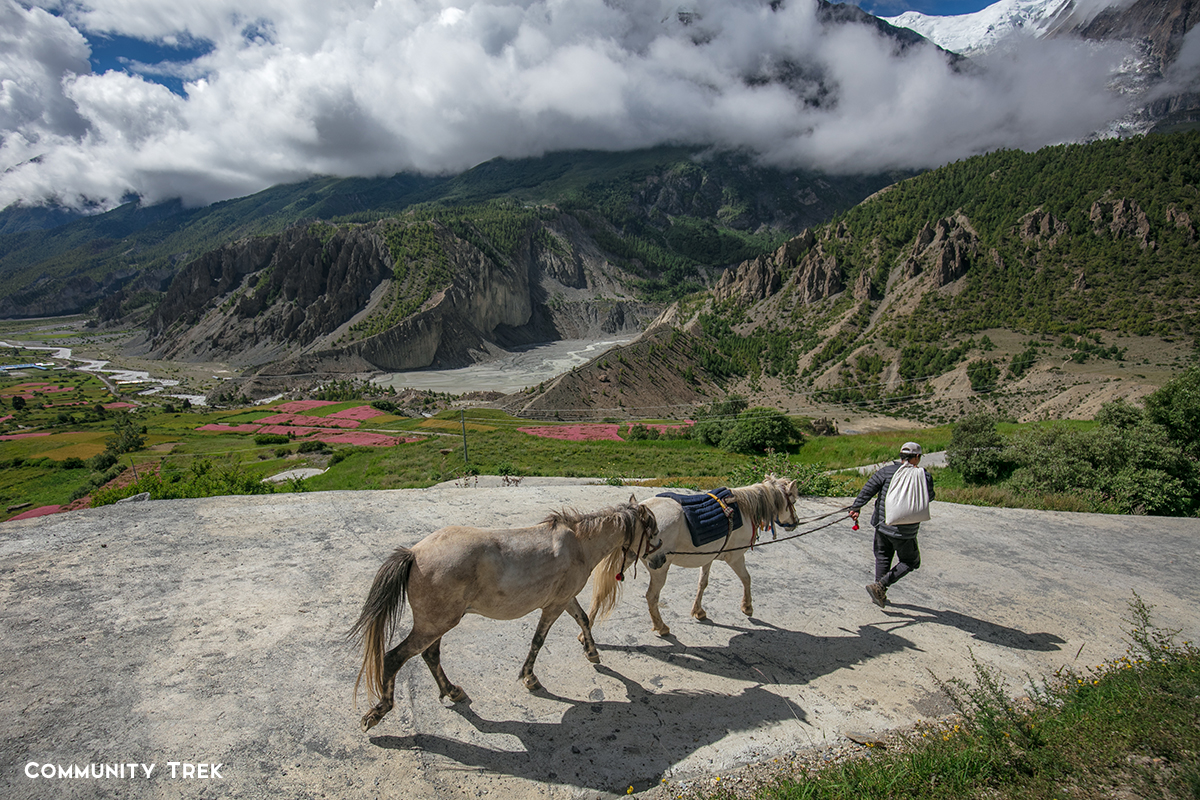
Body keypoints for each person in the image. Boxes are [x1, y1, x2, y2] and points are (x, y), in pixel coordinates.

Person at [848, 441, 934, 608]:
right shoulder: (924, 476)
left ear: (901, 455)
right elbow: (929, 497)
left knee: (883, 557)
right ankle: (880, 587)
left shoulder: (886, 471)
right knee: (910, 562)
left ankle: (878, 592)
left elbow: (868, 489)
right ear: (916, 457)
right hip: (905, 531)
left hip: (882, 524)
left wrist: (856, 507)